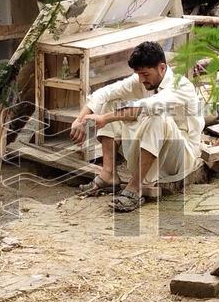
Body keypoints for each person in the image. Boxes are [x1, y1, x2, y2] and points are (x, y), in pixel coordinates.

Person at [69, 41, 203, 212]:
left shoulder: (181, 85)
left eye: (145, 74)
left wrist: (104, 119)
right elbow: (104, 93)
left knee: (157, 115)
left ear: (162, 68)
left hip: (182, 157)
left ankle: (135, 187)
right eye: (139, 74)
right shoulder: (141, 79)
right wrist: (79, 120)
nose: (141, 79)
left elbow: (149, 106)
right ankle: (108, 174)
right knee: (110, 103)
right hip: (153, 148)